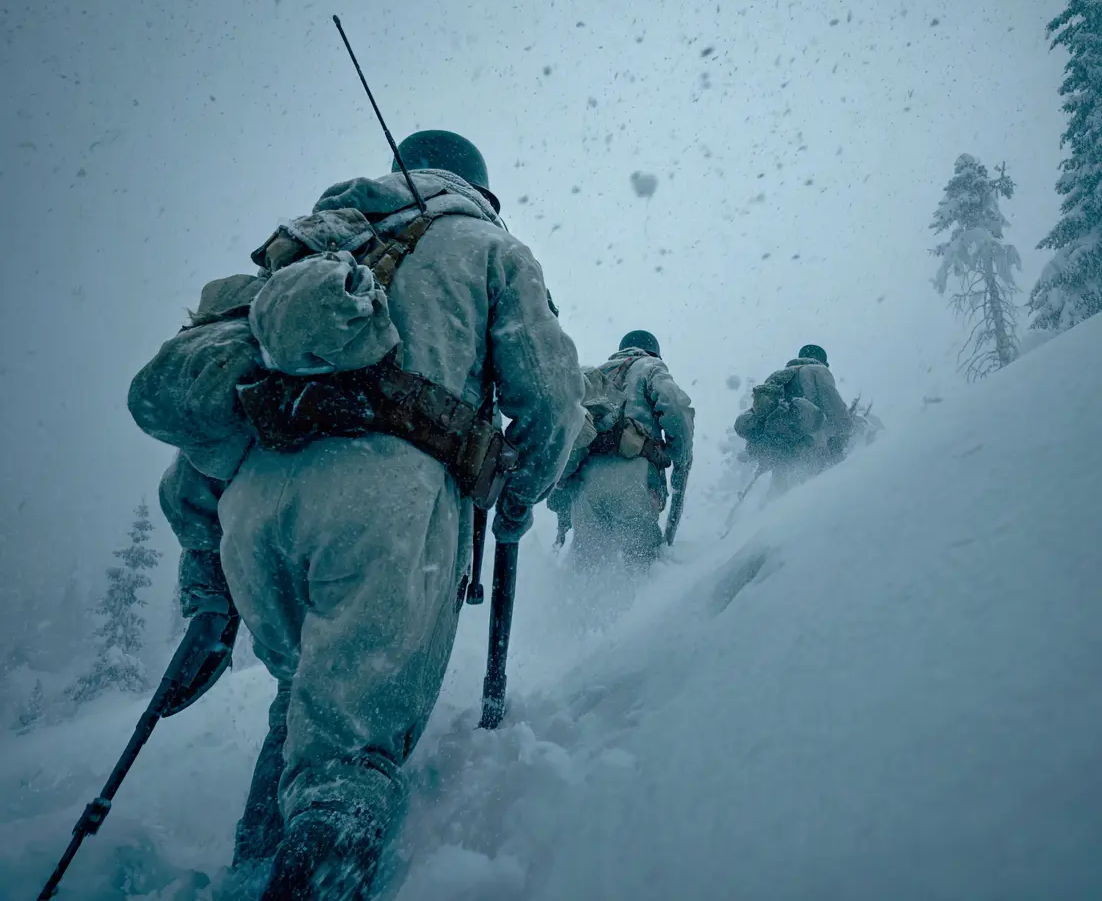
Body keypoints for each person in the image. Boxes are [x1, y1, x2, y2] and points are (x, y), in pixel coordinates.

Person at [129, 130, 585, 899]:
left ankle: (250, 874)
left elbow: (221, 413)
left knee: (302, 701)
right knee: (347, 752)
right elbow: (552, 403)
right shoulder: (489, 247)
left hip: (252, 517)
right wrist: (517, 503)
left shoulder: (311, 250)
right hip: (382, 509)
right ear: (479, 189)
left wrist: (208, 572)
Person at [553, 330, 694, 571]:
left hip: (585, 488)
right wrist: (678, 454)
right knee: (642, 571)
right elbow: (675, 407)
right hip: (633, 481)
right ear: (653, 351)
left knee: (588, 575)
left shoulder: (595, 376)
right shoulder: (650, 366)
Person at [733, 344, 853, 496]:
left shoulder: (779, 377)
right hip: (812, 447)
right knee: (813, 494)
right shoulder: (818, 370)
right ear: (822, 361)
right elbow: (836, 411)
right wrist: (850, 431)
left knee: (781, 496)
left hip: (782, 452)